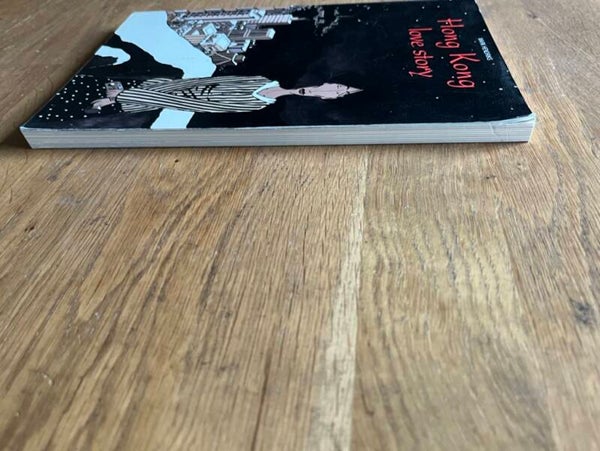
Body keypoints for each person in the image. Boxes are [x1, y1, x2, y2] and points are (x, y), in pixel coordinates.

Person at [89, 76, 362, 114]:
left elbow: (188, 104)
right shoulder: (261, 80)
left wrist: (119, 99)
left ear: (326, 99)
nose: (324, 90)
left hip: (135, 100)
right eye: (334, 85)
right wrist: (134, 91)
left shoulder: (256, 105)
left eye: (335, 94)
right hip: (148, 89)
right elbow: (196, 82)